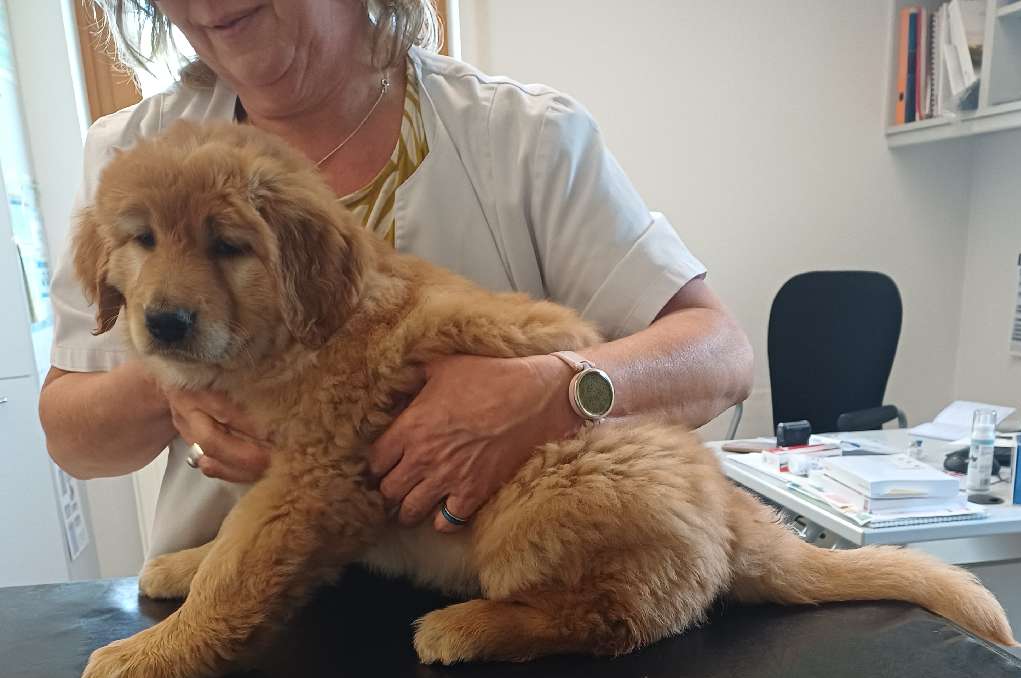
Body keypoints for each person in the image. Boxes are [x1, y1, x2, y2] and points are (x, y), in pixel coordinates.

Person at [40, 0, 753, 558]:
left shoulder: (522, 135)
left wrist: (555, 391)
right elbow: (72, 438)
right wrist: (177, 376)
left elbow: (719, 354)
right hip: (227, 601)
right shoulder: (131, 155)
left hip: (495, 581)